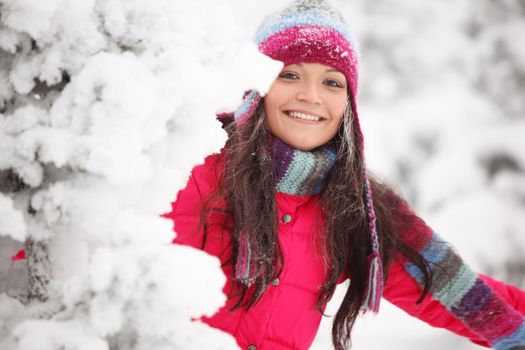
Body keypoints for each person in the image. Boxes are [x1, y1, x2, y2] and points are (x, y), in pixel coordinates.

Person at [162, 1, 525, 349]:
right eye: (289, 75)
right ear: (258, 86)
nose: (310, 95)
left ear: (348, 103)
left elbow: (455, 290)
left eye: (332, 83)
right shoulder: (184, 161)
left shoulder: (357, 208)